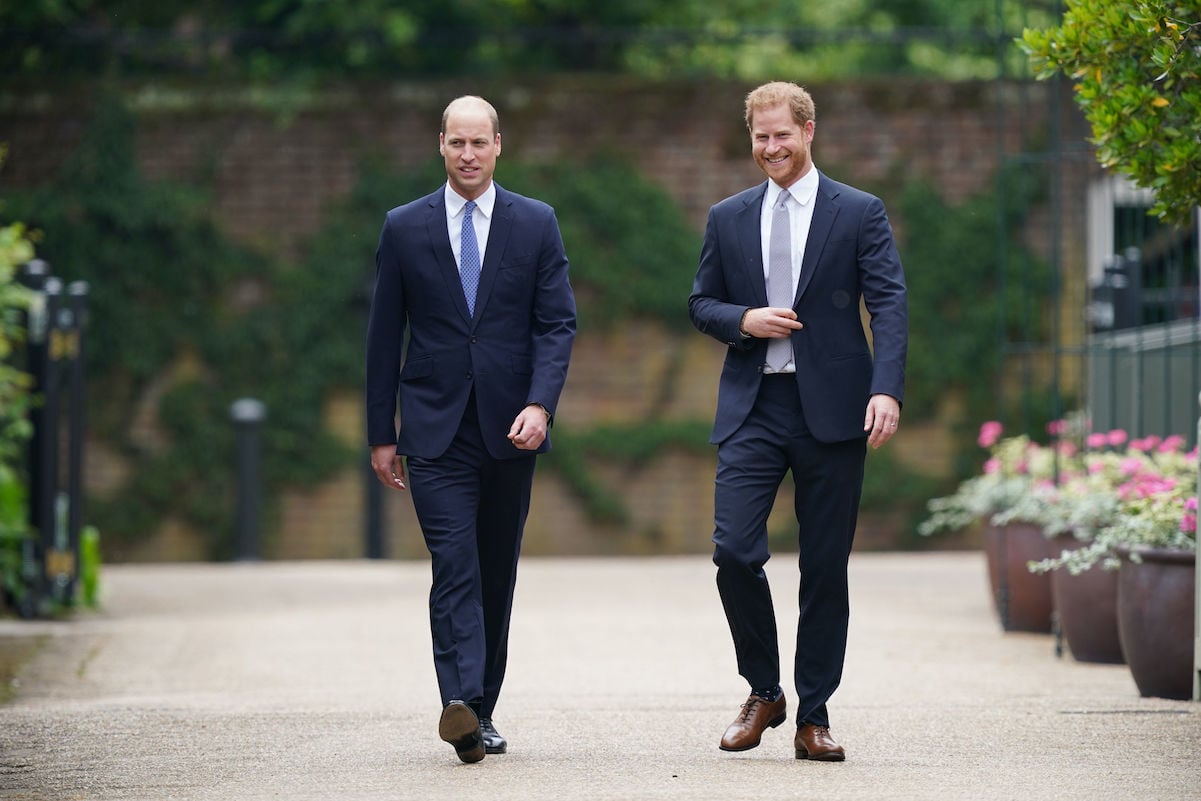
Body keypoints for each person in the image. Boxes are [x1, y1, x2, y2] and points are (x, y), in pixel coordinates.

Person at [688, 81, 907, 762]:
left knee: (824, 566)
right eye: (760, 136)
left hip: (834, 411)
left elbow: (889, 302)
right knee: (732, 550)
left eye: (782, 134)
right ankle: (763, 689)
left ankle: (813, 714)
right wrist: (742, 320)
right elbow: (701, 303)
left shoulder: (857, 211)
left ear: (809, 130)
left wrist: (885, 389)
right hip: (753, 405)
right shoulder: (727, 216)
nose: (770, 147)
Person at [365, 95, 576, 764]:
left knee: (494, 574)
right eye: (456, 142)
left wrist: (541, 405)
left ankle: (480, 708)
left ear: (497, 145)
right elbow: (381, 337)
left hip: (512, 429)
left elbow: (556, 324)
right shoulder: (404, 227)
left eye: (477, 142)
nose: (466, 154)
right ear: (440, 145)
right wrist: (380, 432)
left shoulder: (535, 223)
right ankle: (458, 702)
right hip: (433, 430)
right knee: (453, 564)